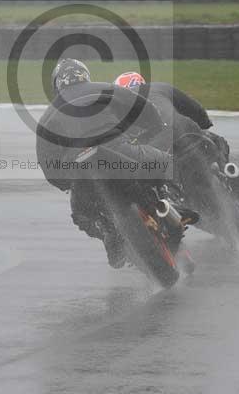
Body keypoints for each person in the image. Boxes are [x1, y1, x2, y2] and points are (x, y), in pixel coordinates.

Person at [35, 59, 174, 267]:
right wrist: (155, 127)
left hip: (81, 173)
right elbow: (142, 107)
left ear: (57, 84)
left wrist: (65, 182)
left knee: (81, 214)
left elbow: (48, 165)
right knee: (166, 163)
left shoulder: (46, 117)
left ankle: (107, 230)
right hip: (119, 152)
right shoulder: (105, 89)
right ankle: (169, 204)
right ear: (84, 74)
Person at [114, 72, 239, 200]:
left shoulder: (119, 107)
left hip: (157, 146)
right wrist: (205, 123)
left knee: (148, 176)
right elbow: (195, 109)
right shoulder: (159, 87)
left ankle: (168, 198)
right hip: (186, 129)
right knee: (218, 141)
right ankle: (228, 171)